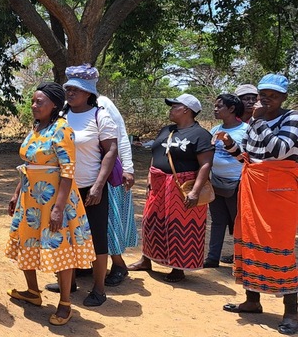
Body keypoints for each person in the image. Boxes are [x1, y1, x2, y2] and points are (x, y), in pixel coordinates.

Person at [5, 82, 96, 326]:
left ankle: (65, 303)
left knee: (60, 249)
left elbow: (67, 172)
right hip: (30, 199)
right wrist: (16, 193)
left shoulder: (62, 129)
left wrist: (58, 208)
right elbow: (28, 166)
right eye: (33, 102)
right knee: (26, 241)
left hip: (56, 201)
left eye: (39, 102)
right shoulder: (36, 128)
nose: (34, 106)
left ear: (54, 104)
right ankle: (33, 292)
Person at [218, 74, 298, 335]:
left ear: (284, 97)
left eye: (273, 95)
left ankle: (291, 312)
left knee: (279, 246)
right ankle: (252, 301)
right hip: (253, 188)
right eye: (263, 94)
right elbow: (249, 157)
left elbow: (280, 150)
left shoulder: (291, 118)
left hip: (280, 191)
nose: (266, 99)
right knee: (247, 240)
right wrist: (231, 146)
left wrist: (260, 121)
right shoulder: (255, 121)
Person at [128, 93, 214, 283]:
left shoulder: (200, 135)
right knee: (151, 221)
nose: (170, 109)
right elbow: (157, 153)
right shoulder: (166, 130)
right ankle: (146, 259)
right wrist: (151, 176)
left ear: (186, 110)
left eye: (174, 106)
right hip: (159, 183)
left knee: (180, 225)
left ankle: (178, 267)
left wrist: (195, 191)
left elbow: (206, 164)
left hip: (182, 185)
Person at [52, 64, 118, 307]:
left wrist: (99, 186)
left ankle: (99, 288)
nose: (70, 93)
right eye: (68, 88)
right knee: (65, 237)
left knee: (97, 239)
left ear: (89, 93)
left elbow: (111, 150)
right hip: (63, 190)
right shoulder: (59, 115)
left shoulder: (100, 116)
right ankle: (69, 283)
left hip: (89, 188)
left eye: (77, 89)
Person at [96, 95, 138, 286]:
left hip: (108, 172)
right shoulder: (69, 107)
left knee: (109, 220)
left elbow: (121, 136)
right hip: (83, 172)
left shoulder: (103, 104)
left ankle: (118, 264)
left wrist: (128, 168)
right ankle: (90, 265)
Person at [203, 94, 246, 268]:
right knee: (217, 220)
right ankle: (213, 258)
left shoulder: (245, 130)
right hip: (216, 183)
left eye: (219, 106)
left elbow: (245, 158)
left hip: (238, 183)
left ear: (231, 109)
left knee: (238, 222)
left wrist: (229, 142)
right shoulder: (214, 130)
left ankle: (240, 260)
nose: (215, 109)